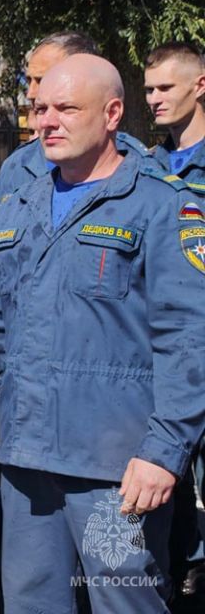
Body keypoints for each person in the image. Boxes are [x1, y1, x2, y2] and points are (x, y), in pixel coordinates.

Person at [0, 52, 205, 613]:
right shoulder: (16, 207)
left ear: (112, 113)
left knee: (124, 603)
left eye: (65, 108)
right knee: (32, 604)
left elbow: (190, 337)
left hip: (117, 472)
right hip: (27, 462)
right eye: (39, 108)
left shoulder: (162, 206)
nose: (46, 121)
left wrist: (165, 449)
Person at [144, 41, 205, 601]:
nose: (154, 99)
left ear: (200, 85)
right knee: (172, 478)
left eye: (165, 87)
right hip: (167, 349)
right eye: (148, 89)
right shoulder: (149, 165)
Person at [0, 31, 149, 204]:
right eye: (29, 80)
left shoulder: (137, 163)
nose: (31, 93)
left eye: (42, 80)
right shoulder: (17, 165)